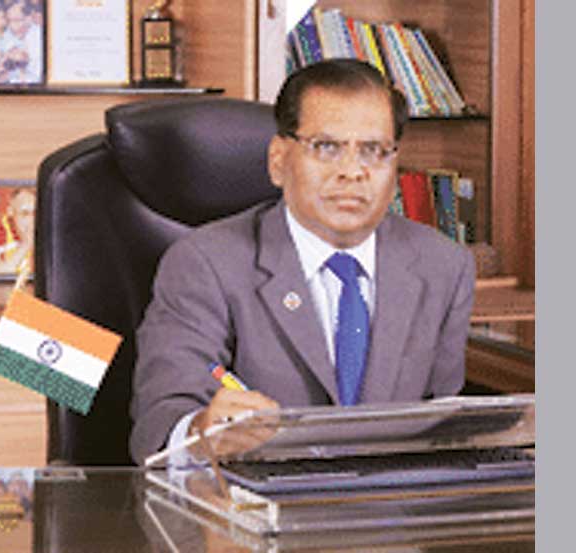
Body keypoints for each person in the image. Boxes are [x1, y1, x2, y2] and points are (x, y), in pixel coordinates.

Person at [129, 59, 476, 465]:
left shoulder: (444, 266)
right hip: (255, 499)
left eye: (373, 151)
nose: (352, 172)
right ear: (278, 161)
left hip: (392, 499)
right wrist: (202, 432)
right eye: (327, 148)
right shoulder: (204, 263)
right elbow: (159, 419)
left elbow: (443, 429)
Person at [0, 0, 42, 84]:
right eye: (9, 21)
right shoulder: (5, 36)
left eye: (17, 20)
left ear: (29, 18)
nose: (12, 26)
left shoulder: (40, 37)